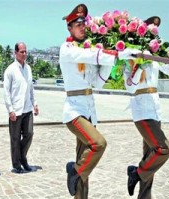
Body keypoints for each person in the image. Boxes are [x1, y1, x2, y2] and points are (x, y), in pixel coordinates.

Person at [59, 4, 137, 198]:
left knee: (84, 160)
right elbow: (89, 54)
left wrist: (113, 61)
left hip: (89, 111)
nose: (82, 27)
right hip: (74, 112)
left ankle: (79, 186)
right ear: (69, 27)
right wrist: (115, 54)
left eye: (84, 23)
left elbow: (98, 83)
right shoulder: (67, 49)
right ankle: (73, 171)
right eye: (77, 24)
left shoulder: (89, 50)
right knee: (98, 143)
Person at [123, 17, 169, 199]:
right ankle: (136, 173)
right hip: (142, 110)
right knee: (164, 149)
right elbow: (130, 86)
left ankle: (144, 196)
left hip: (155, 109)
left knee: (151, 155)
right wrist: (140, 64)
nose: (155, 32)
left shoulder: (154, 55)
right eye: (152, 29)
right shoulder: (132, 56)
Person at [3, 42, 39, 174]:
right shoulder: (10, 70)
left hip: (27, 108)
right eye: (21, 52)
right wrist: (10, 109)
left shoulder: (28, 69)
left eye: (25, 52)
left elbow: (31, 88)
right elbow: (6, 92)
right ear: (15, 53)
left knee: (29, 134)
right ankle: (17, 163)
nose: (24, 54)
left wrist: (35, 103)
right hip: (16, 110)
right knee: (15, 138)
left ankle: (22, 157)